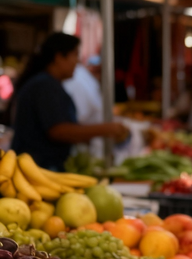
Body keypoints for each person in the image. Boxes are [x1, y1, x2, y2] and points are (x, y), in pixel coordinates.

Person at [10, 33, 128, 170]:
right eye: (75, 55)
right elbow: (58, 131)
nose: (77, 62)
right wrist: (105, 129)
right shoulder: (45, 86)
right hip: (38, 168)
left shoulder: (49, 83)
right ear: (59, 57)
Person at [63, 54, 104, 158]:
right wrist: (108, 129)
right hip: (80, 150)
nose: (76, 61)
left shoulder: (87, 80)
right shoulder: (79, 81)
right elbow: (77, 123)